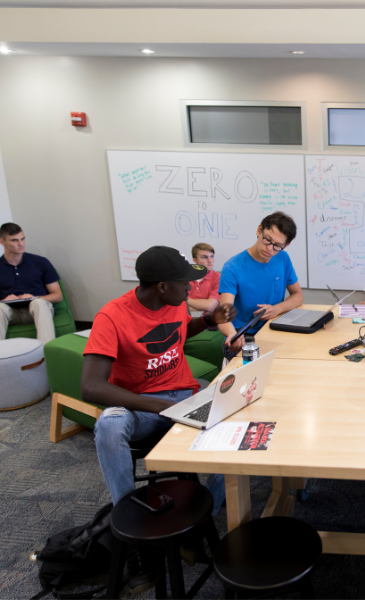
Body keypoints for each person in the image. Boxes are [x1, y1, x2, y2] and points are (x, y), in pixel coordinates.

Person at [82, 246, 236, 592]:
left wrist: (208, 321)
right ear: (162, 286)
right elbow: (90, 386)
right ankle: (132, 535)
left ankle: (198, 522)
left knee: (242, 421)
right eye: (185, 283)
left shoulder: (173, 303)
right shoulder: (112, 317)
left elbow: (176, 335)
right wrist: (155, 407)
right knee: (108, 424)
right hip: (142, 407)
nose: (192, 289)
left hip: (184, 394)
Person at [218, 212, 303, 352]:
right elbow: (223, 315)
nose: (269, 248)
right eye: (267, 240)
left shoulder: (283, 258)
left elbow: (298, 295)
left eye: (277, 245)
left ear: (286, 245)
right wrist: (232, 334)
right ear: (259, 230)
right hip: (244, 336)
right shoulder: (232, 267)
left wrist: (277, 309)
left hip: (273, 329)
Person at [0, 222, 63, 343]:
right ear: (2, 242)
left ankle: (46, 355)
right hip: (12, 313)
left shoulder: (41, 262)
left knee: (38, 303)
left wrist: (36, 297)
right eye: (14, 240)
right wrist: (4, 300)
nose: (21, 244)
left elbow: (58, 295)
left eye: (22, 239)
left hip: (39, 309)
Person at [187, 242, 220, 312]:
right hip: (186, 319)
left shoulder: (219, 278)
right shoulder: (186, 277)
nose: (210, 261)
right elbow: (176, 305)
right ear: (195, 260)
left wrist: (185, 299)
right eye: (204, 257)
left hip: (209, 320)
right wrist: (202, 306)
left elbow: (209, 306)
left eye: (211, 256)